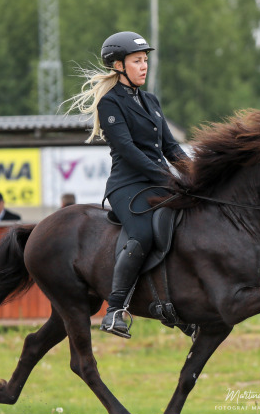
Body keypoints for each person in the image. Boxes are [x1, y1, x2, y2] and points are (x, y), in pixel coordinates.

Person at [65, 31, 189, 339]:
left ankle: (182, 305)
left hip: (160, 182)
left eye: (145, 60)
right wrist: (168, 178)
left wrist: (197, 174)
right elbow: (128, 151)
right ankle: (115, 309)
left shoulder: (151, 100)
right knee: (143, 234)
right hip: (128, 185)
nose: (144, 66)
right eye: (137, 61)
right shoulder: (110, 104)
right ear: (119, 65)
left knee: (188, 224)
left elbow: (171, 148)